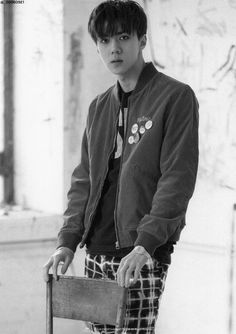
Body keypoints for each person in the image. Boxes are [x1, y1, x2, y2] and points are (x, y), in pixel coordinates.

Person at [43, 1, 199, 333]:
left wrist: (146, 244)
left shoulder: (175, 97)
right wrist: (67, 241)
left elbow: (177, 179)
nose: (114, 48)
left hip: (140, 250)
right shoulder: (99, 107)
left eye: (123, 37)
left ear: (142, 40)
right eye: (104, 40)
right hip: (96, 249)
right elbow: (84, 180)